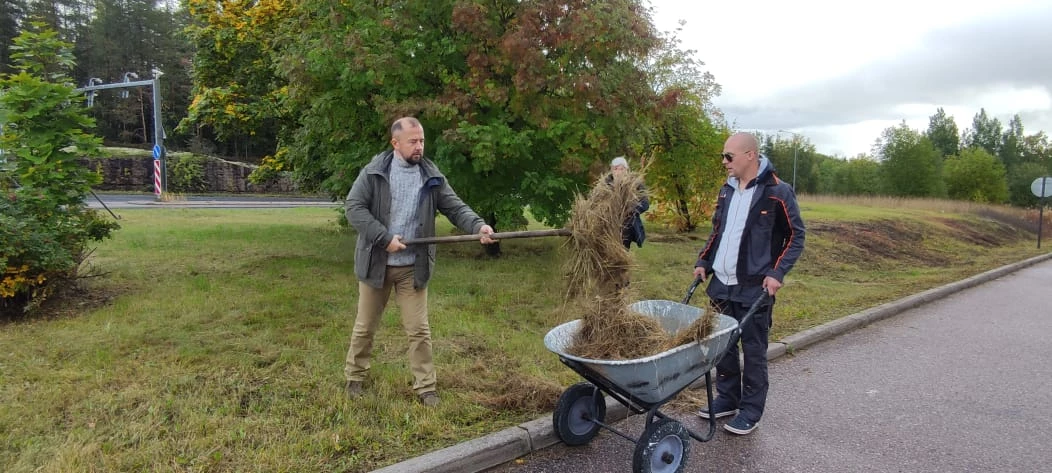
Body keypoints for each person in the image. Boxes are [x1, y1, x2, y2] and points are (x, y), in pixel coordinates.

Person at [343, 117, 495, 407]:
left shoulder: (430, 175)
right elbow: (354, 208)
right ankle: (355, 378)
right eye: (413, 141)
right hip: (377, 263)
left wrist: (478, 227)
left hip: (412, 267)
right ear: (395, 143)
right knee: (365, 327)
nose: (419, 146)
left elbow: (455, 206)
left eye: (422, 140)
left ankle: (426, 387)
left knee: (419, 330)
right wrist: (384, 238)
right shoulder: (374, 172)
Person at [692, 132, 805, 434]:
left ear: (750, 155)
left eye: (728, 156)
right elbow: (717, 232)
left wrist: (776, 273)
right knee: (723, 347)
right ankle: (727, 397)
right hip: (721, 284)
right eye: (723, 156)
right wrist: (704, 261)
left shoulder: (777, 192)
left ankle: (751, 411)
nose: (724, 162)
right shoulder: (726, 191)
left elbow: (796, 237)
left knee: (753, 351)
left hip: (755, 287)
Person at [608, 156, 649, 249]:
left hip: (627, 225)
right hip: (608, 225)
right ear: (611, 170)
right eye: (616, 169)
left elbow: (645, 204)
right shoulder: (605, 186)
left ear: (627, 170)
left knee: (622, 249)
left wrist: (630, 210)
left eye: (622, 169)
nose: (619, 172)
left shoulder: (636, 185)